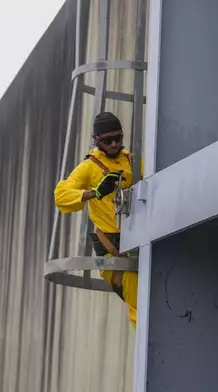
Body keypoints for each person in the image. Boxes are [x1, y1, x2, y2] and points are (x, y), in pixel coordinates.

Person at [54, 111, 139, 329]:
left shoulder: (132, 161)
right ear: (96, 141)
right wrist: (95, 192)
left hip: (139, 239)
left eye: (117, 139)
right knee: (138, 306)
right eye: (107, 140)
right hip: (114, 246)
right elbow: (61, 195)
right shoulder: (90, 167)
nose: (113, 144)